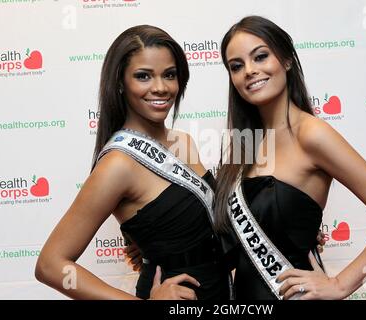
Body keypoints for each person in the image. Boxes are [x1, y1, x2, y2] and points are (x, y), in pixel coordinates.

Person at [213, 15, 366, 300]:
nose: (249, 71)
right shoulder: (244, 146)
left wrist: (341, 284)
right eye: (236, 66)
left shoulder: (311, 134)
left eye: (260, 57)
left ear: (286, 60)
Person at [35, 25, 230, 300]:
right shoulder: (118, 164)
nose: (160, 88)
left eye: (169, 75)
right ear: (120, 83)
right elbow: (49, 265)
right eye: (143, 76)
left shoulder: (183, 141)